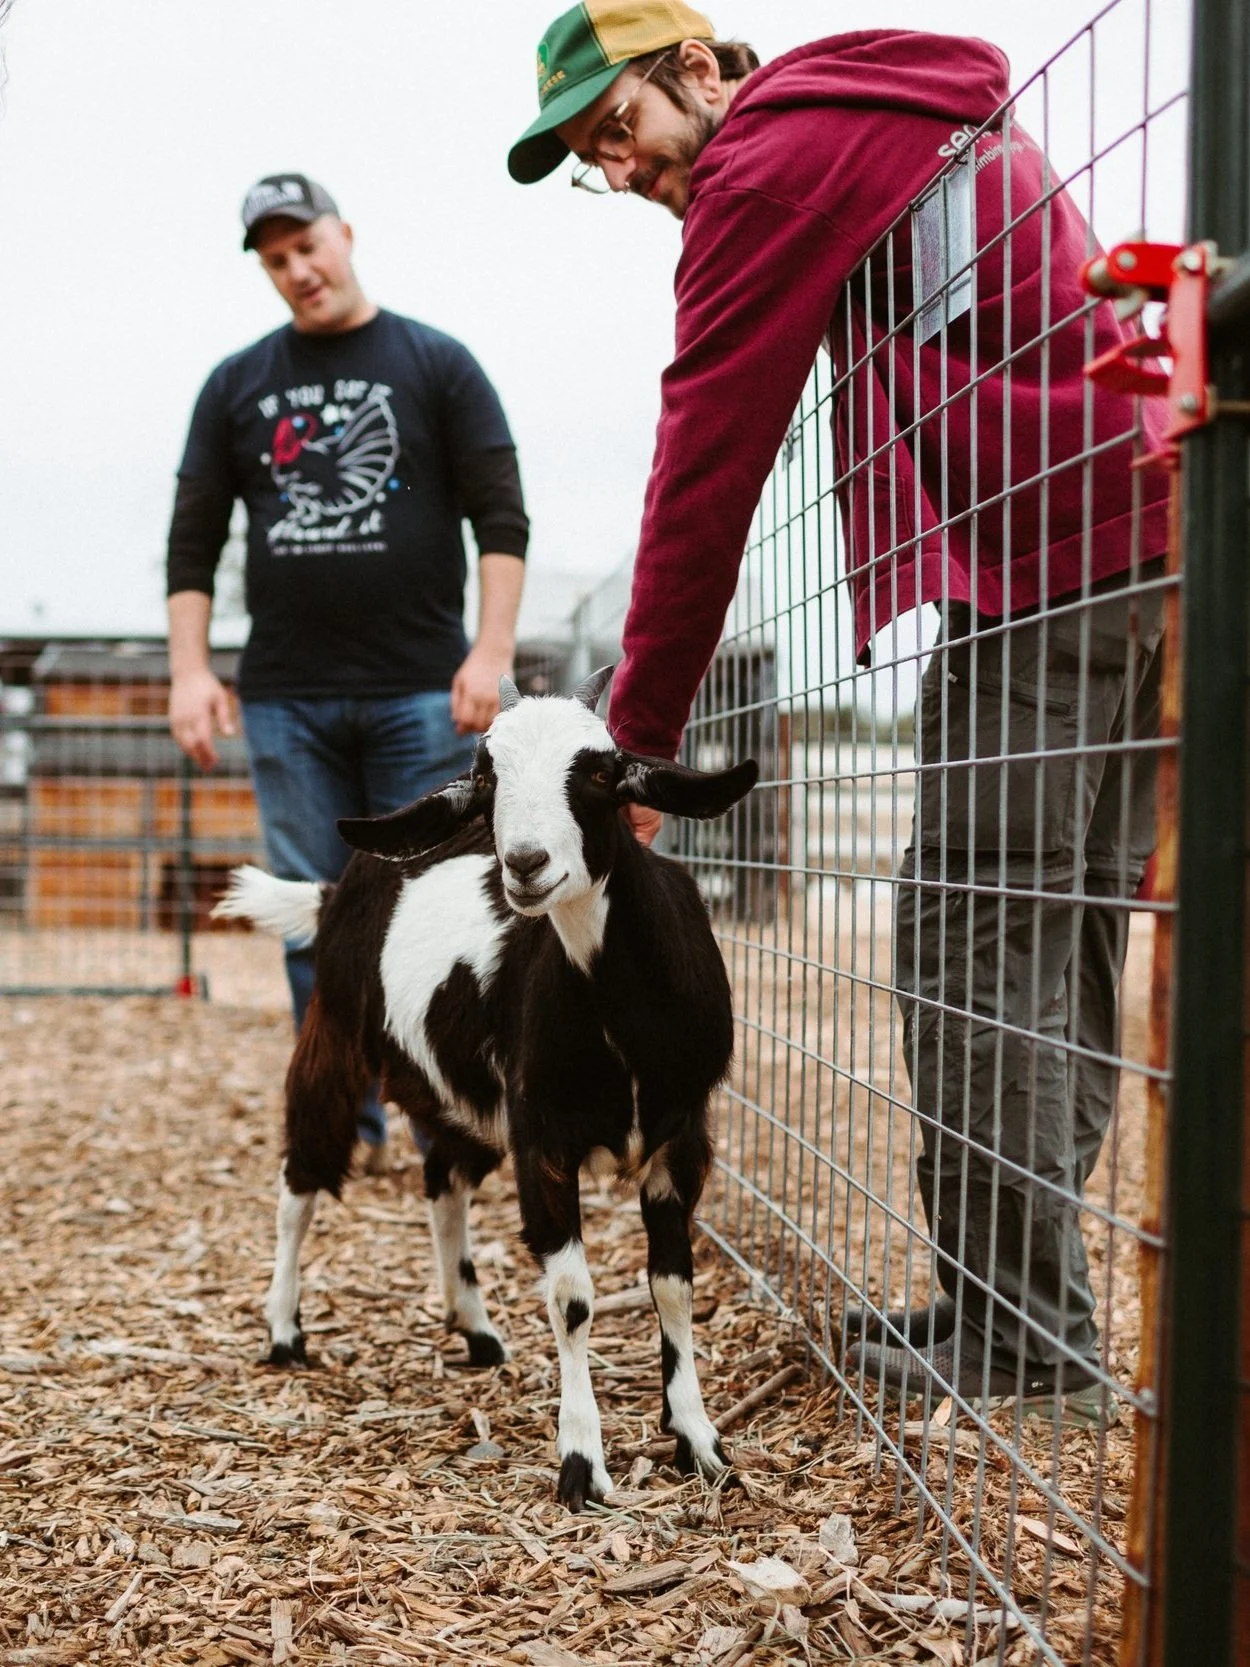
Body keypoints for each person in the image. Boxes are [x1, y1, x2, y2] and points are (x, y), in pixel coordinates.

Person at [508, 6, 1170, 1412]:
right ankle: (1020, 1300)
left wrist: (642, 733)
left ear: (698, 69)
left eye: (616, 128)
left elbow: (705, 453)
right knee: (1065, 928)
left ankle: (1023, 1335)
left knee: (969, 932)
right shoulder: (877, 113)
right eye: (589, 161)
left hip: (1048, 559)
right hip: (1141, 527)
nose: (619, 172)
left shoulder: (762, 170)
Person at [167, 173, 528, 1170]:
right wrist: (189, 671)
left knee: (434, 909)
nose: (297, 270)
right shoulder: (236, 383)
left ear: (346, 234)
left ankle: (442, 1121)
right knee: (308, 916)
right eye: (276, 259)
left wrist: (488, 651)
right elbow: (192, 540)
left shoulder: (435, 363)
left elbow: (500, 512)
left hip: (422, 686)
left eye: (307, 246)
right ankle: (345, 1120)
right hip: (285, 697)